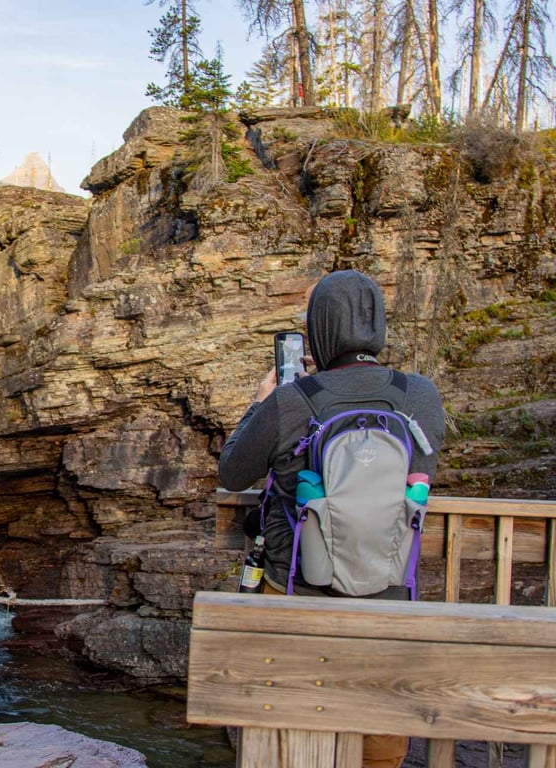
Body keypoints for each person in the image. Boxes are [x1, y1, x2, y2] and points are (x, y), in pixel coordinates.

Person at [218, 269, 445, 768]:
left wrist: (260, 403)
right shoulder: (419, 396)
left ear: (318, 329)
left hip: (296, 592)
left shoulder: (290, 399)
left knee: (288, 736)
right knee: (378, 748)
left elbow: (232, 472)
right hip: (388, 597)